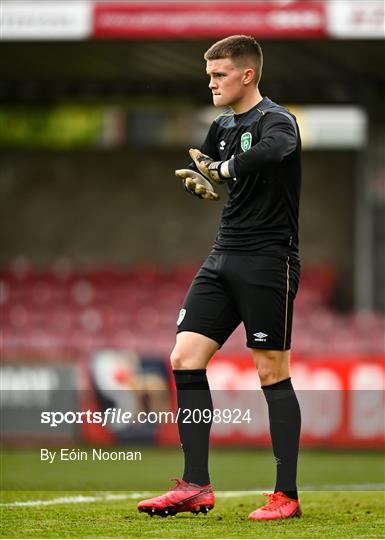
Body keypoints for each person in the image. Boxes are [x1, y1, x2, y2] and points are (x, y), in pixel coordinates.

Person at [138, 35, 302, 521]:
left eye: (220, 75)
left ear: (247, 75)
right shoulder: (222, 125)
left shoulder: (278, 121)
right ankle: (195, 485)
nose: (211, 83)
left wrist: (224, 169)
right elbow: (213, 174)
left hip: (269, 259)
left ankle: (286, 495)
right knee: (184, 357)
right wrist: (204, 186)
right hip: (223, 255)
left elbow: (269, 154)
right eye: (209, 75)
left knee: (271, 370)